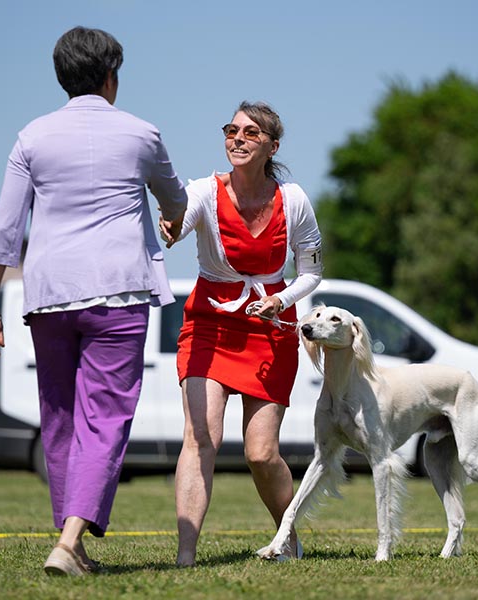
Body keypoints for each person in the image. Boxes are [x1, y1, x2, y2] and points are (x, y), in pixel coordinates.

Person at [0, 26, 187, 576]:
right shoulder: (142, 134)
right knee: (105, 416)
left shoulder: (31, 137)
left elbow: (6, 227)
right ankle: (69, 544)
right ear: (111, 76)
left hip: (48, 295)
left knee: (61, 418)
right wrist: (171, 219)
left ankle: (73, 542)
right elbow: (176, 200)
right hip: (118, 293)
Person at [161, 101, 323, 566]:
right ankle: (186, 555)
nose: (238, 138)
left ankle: (287, 537)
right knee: (201, 437)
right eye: (232, 130)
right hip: (209, 324)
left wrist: (282, 300)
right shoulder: (204, 191)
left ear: (273, 146)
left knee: (261, 453)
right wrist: (172, 227)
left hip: (269, 328)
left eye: (251, 133)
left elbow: (311, 272)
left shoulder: (294, 200)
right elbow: (181, 218)